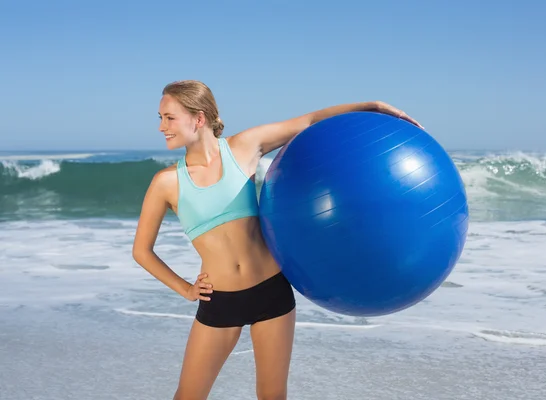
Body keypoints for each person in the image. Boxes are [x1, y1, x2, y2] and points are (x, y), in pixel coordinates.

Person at [131, 79, 423, 400]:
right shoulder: (167, 182)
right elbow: (142, 251)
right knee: (188, 395)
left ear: (198, 118)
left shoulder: (243, 147)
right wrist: (185, 289)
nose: (161, 127)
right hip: (220, 300)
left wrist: (372, 107)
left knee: (272, 395)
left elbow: (309, 122)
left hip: (271, 291)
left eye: (168, 117)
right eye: (160, 118)